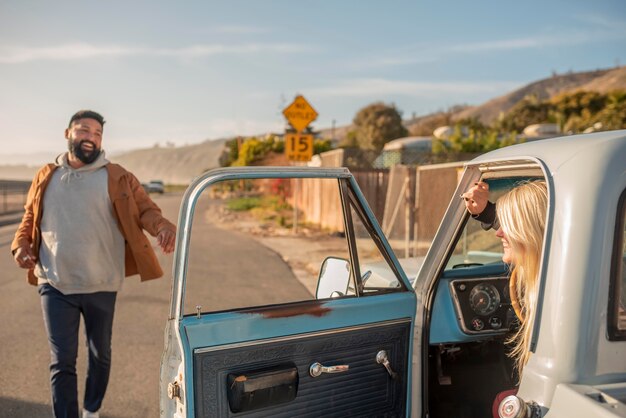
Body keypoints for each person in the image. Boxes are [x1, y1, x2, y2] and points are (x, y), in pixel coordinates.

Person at [11, 110, 176, 418]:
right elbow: (29, 218)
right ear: (68, 134)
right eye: (84, 130)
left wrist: (163, 226)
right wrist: (20, 245)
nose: (90, 138)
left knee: (100, 355)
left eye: (97, 134)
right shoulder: (47, 175)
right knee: (62, 361)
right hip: (55, 283)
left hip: (102, 284)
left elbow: (146, 210)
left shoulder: (117, 176)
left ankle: (92, 409)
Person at [462, 180, 548, 375]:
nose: (498, 233)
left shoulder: (558, 296)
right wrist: (486, 212)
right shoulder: (555, 275)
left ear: (530, 232)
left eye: (508, 225)